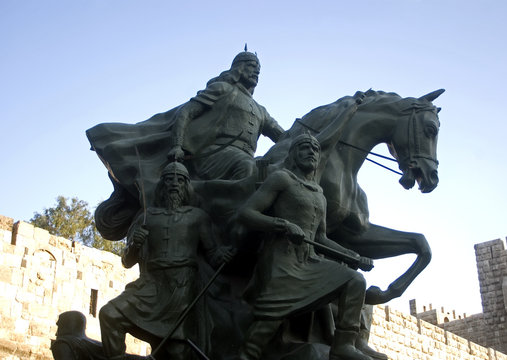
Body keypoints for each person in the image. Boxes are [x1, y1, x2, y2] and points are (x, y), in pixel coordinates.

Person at [236, 133, 375, 360]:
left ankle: (343, 344)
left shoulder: (319, 194)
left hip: (310, 261)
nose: (311, 151)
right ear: (293, 154)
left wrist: (351, 256)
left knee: (355, 280)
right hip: (281, 262)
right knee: (266, 326)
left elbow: (320, 238)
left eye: (315, 149)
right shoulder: (281, 179)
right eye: (304, 147)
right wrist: (283, 225)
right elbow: (246, 213)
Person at [98, 162, 233, 360]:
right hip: (149, 286)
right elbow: (127, 261)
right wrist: (135, 244)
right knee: (109, 315)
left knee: (176, 352)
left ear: (187, 186)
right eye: (169, 179)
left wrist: (225, 255)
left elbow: (212, 254)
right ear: (162, 185)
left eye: (180, 180)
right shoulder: (147, 217)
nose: (174, 184)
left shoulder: (197, 217)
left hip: (181, 287)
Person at [167, 50, 284, 180]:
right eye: (252, 66)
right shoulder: (222, 89)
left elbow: (283, 136)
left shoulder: (261, 110)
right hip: (214, 154)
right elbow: (186, 112)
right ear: (239, 67)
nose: (257, 72)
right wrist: (176, 145)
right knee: (248, 166)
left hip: (246, 157)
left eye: (259, 69)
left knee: (272, 171)